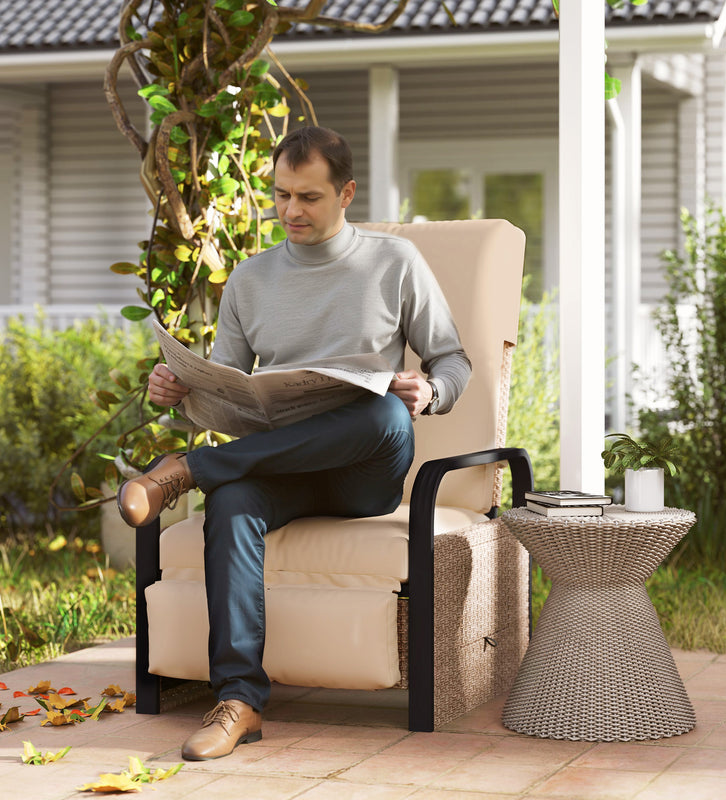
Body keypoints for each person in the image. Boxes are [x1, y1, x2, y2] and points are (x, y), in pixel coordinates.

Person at [116, 126, 471, 761]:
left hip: (365, 470)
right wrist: (180, 391)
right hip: (283, 461)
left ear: (346, 193)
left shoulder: (395, 264)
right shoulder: (251, 280)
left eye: (307, 197)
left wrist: (431, 393)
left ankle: (186, 472)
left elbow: (453, 361)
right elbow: (225, 387)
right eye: (280, 195)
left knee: (388, 415)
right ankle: (239, 700)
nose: (290, 211)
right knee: (231, 503)